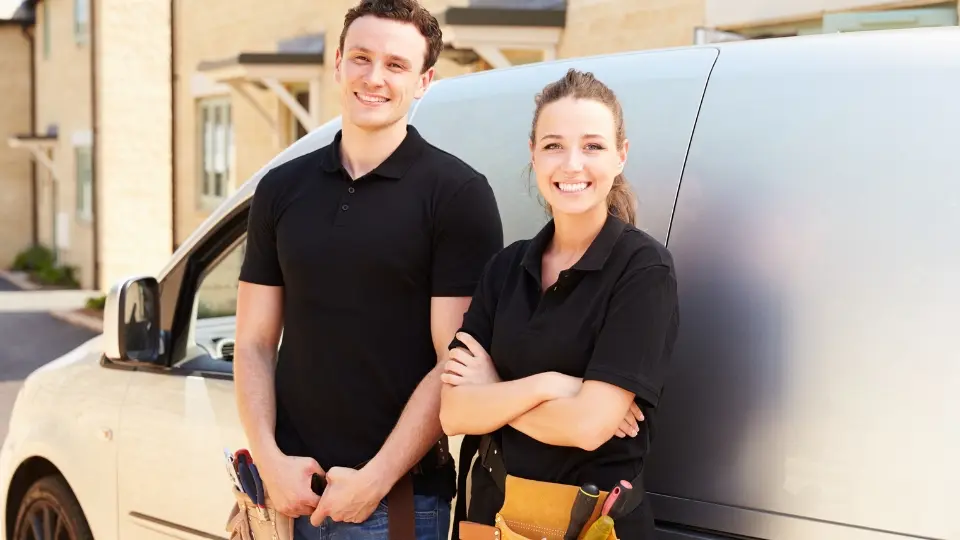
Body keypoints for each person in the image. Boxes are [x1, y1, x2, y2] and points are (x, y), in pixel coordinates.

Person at [232, 0, 504, 538]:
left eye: (396, 65)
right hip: (287, 496)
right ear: (338, 63)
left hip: (395, 502)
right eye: (361, 57)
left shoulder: (457, 195)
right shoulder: (280, 188)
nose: (374, 77)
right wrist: (269, 460)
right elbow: (254, 342)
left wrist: (374, 480)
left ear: (424, 81)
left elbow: (453, 362)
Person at [439, 68, 680, 539]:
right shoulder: (505, 268)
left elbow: (588, 427)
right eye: (554, 145)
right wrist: (551, 385)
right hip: (488, 520)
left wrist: (494, 391)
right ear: (533, 154)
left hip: (587, 525)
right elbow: (453, 413)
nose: (572, 164)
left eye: (592, 146)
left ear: (620, 156)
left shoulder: (643, 270)